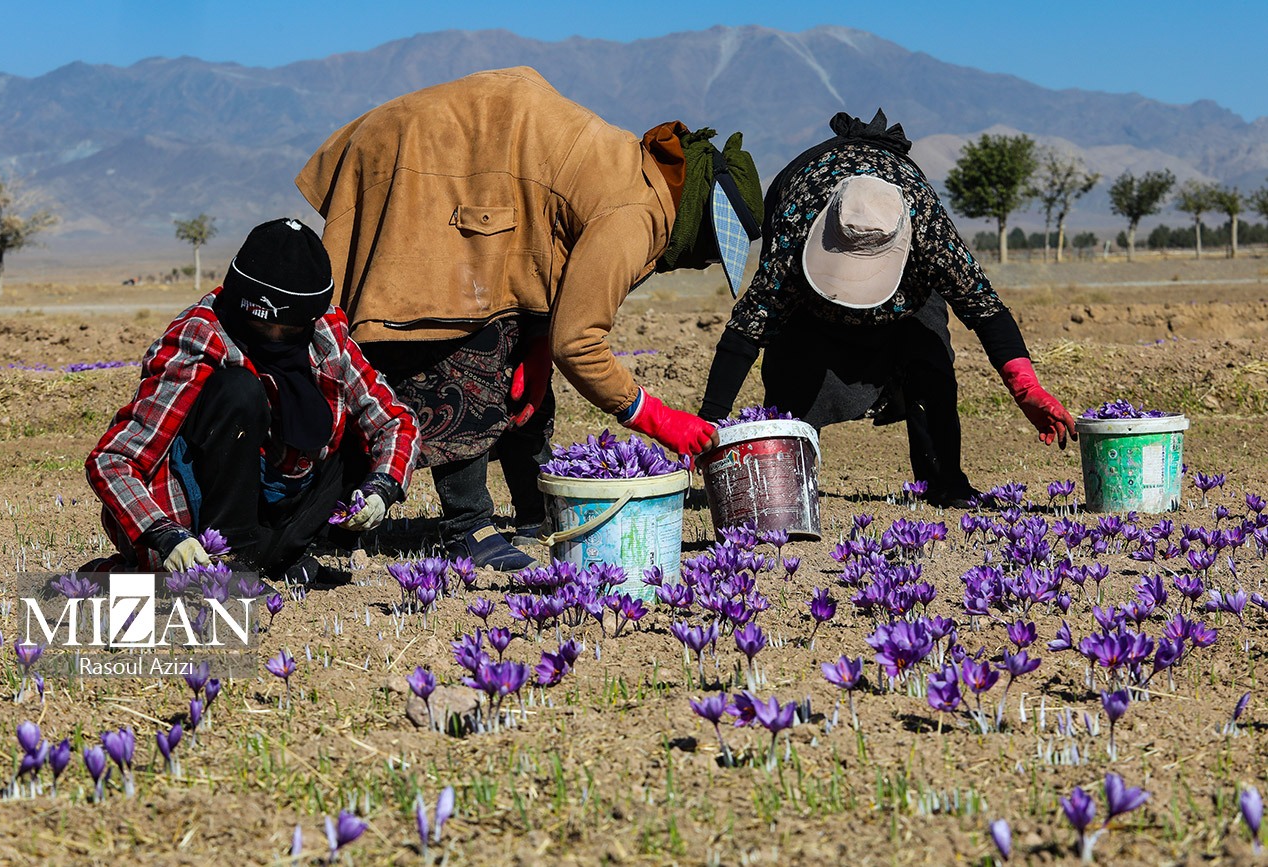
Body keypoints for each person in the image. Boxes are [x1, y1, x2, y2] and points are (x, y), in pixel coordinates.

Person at [296, 66, 763, 569]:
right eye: (710, 249)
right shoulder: (637, 213)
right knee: (458, 346)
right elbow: (579, 344)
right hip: (425, 157)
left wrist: (535, 351)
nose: (698, 259)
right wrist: (656, 417)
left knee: (515, 369)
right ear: (700, 217)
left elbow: (551, 271)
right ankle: (466, 527)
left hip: (458, 158)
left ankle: (535, 510)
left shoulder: (638, 180)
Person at [697, 110, 1075, 507]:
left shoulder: (926, 226)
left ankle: (944, 481)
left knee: (930, 359)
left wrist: (1026, 387)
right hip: (811, 311)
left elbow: (983, 306)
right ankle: (790, 488)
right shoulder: (798, 227)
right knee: (794, 373)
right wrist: (708, 421)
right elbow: (747, 329)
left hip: (904, 306)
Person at [86, 218, 421, 578]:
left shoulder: (326, 333)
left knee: (354, 439)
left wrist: (382, 488)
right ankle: (232, 566)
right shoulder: (203, 335)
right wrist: (165, 535)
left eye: (289, 329)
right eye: (261, 326)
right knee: (238, 391)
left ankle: (269, 560)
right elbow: (112, 460)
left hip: (289, 507)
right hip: (204, 527)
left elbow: (396, 422)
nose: (275, 338)